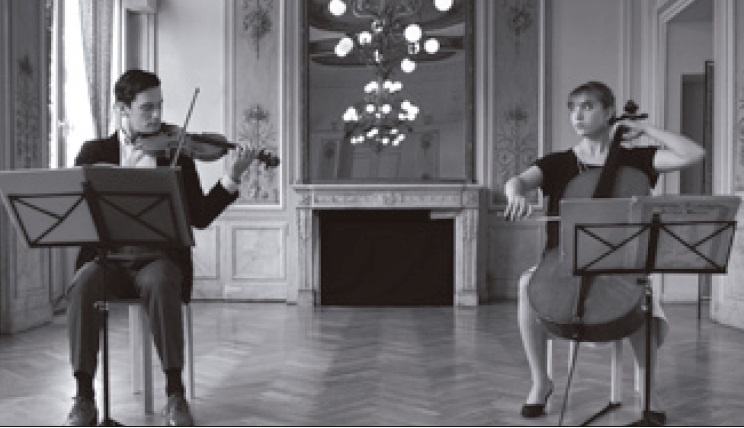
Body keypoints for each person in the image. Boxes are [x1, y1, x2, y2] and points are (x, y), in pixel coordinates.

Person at [63, 69, 258, 426]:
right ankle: (85, 397)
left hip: (158, 259)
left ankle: (174, 393)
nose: (157, 116)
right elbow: (76, 211)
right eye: (146, 108)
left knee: (161, 281)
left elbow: (200, 215)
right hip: (108, 260)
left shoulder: (177, 155)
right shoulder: (94, 153)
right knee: (83, 284)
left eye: (160, 106)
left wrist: (233, 175)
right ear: (122, 108)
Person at [503, 81, 704, 424]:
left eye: (588, 106)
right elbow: (517, 181)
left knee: (640, 295)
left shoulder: (637, 160)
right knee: (526, 285)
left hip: (621, 262)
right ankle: (540, 382)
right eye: (573, 108)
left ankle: (648, 388)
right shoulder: (558, 163)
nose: (577, 115)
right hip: (564, 262)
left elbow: (693, 154)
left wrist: (644, 128)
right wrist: (515, 195)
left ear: (609, 112)